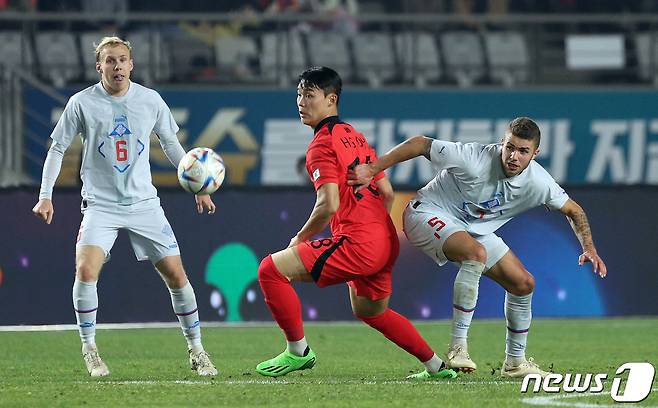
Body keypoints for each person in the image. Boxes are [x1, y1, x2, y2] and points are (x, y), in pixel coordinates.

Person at [348, 117, 607, 378]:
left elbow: (574, 211)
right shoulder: (473, 158)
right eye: (510, 147)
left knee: (523, 283)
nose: (514, 156)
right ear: (501, 143)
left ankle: (515, 363)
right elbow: (420, 144)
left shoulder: (540, 182)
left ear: (535, 154)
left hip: (472, 230)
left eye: (523, 151)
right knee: (476, 254)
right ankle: (458, 348)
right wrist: (373, 168)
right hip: (425, 214)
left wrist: (589, 249)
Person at [31, 36, 218, 378]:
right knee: (86, 271)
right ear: (98, 66)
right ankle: (90, 349)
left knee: (177, 276)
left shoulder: (150, 100)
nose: (117, 66)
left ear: (132, 64)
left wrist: (198, 185)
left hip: (144, 204)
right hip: (100, 205)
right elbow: (57, 149)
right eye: (110, 61)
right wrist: (46, 195)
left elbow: (171, 143)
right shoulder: (82, 103)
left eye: (122, 60)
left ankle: (197, 350)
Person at [254, 66, 457, 380]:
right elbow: (387, 192)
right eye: (298, 94)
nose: (301, 102)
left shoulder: (321, 144)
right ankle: (436, 367)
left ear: (331, 99)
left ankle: (298, 352)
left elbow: (328, 204)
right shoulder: (354, 137)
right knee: (370, 311)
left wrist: (301, 237)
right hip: (385, 241)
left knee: (270, 270)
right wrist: (374, 227)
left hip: (359, 243)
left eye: (309, 95)